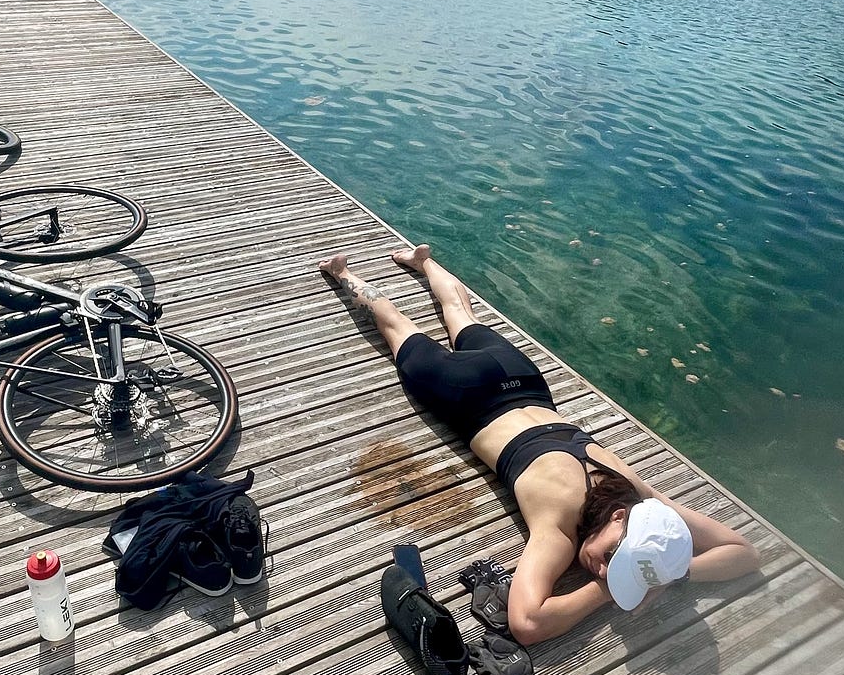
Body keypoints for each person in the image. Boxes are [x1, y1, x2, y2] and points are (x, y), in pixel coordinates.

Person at [319, 244, 760, 646]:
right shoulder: (561, 526)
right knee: (397, 328)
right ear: (620, 518)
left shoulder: (638, 496)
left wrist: (661, 572)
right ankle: (341, 274)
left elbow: (745, 553)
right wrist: (612, 589)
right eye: (611, 556)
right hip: (464, 396)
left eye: (613, 568)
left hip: (522, 380)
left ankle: (424, 261)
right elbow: (528, 623)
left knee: (460, 313)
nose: (601, 567)